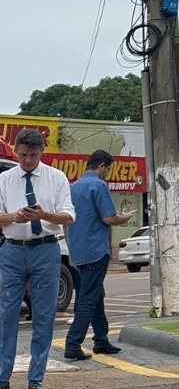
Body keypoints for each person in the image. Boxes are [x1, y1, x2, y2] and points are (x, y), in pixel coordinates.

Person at [0, 128, 76, 389]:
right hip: (13, 250)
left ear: (41, 152)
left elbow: (68, 216)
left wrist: (42, 215)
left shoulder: (56, 178)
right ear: (16, 151)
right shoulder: (5, 179)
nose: (27, 160)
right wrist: (13, 216)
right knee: (7, 314)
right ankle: (2, 376)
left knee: (44, 315)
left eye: (33, 155)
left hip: (45, 250)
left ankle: (36, 376)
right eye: (23, 155)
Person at [63, 150, 134, 359]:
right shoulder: (98, 186)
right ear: (101, 166)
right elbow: (109, 218)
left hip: (78, 250)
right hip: (96, 249)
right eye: (108, 169)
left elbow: (66, 221)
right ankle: (73, 343)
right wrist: (124, 218)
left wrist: (71, 249)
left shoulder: (73, 187)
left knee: (96, 294)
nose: (107, 174)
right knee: (88, 297)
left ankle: (101, 339)